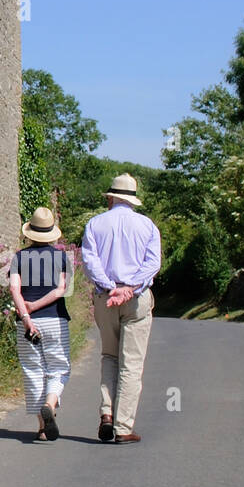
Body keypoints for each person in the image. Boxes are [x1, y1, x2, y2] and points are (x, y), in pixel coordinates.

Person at [81, 173, 162, 443]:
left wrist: (109, 287)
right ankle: (123, 426)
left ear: (112, 197)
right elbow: (153, 264)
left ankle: (106, 413)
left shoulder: (95, 224)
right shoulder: (147, 226)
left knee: (109, 356)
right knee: (131, 364)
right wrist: (131, 288)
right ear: (132, 199)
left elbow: (90, 261)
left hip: (106, 298)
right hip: (136, 299)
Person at [8, 207, 72, 441]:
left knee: (33, 370)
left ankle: (43, 427)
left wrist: (26, 315)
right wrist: (37, 306)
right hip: (55, 319)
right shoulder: (62, 257)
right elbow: (61, 289)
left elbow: (14, 288)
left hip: (26, 323)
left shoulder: (19, 257)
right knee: (58, 368)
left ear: (30, 233)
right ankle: (50, 403)